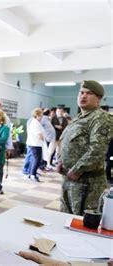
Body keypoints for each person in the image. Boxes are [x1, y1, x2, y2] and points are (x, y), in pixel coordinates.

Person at [57, 80, 112, 215]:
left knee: (81, 224)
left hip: (87, 184)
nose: (83, 96)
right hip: (69, 179)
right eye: (81, 92)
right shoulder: (78, 118)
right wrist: (60, 161)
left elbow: (97, 149)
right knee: (65, 218)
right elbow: (65, 141)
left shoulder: (101, 118)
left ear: (98, 99)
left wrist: (77, 169)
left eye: (89, 93)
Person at [0, 98, 14, 194]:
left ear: (2, 106)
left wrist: (9, 147)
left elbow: (8, 135)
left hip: (0, 148)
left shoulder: (6, 118)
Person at [26, 108, 45, 182]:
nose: (41, 117)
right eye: (41, 116)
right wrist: (43, 138)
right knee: (37, 160)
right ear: (37, 115)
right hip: (35, 144)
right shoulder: (35, 123)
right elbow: (39, 135)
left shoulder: (36, 122)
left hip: (34, 143)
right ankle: (33, 174)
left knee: (34, 159)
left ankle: (31, 174)